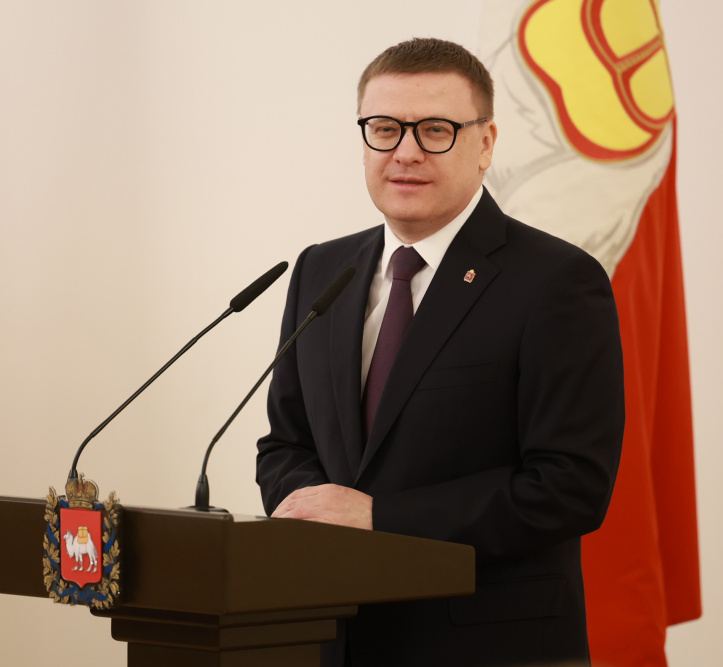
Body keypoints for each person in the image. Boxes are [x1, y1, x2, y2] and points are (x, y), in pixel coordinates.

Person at [256, 37, 624, 666]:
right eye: (384, 129)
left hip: (488, 644)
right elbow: (286, 444)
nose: (405, 152)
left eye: (435, 130)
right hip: (331, 637)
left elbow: (571, 486)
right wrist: (313, 512)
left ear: (485, 144)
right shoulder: (322, 270)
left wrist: (380, 516)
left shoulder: (557, 281)